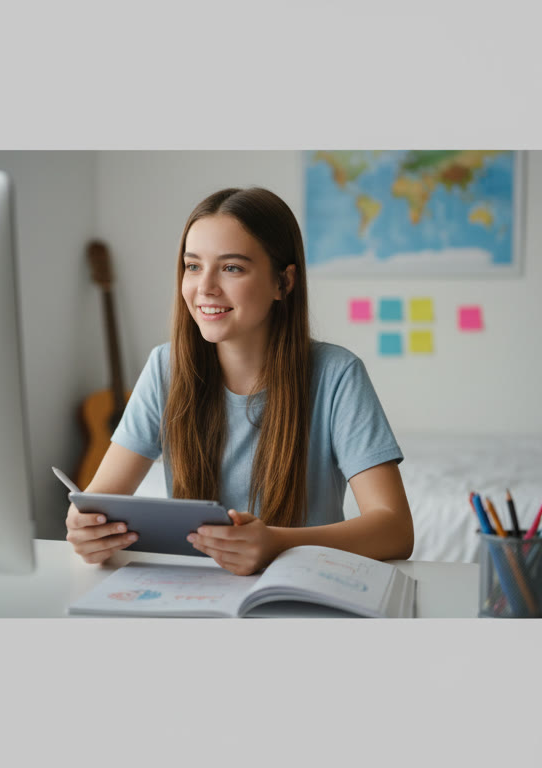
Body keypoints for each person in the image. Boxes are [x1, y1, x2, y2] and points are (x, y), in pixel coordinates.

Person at [66, 187, 413, 576]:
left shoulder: (337, 374)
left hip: (302, 588)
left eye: (231, 268)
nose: (205, 287)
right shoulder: (166, 367)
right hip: (194, 592)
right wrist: (86, 529)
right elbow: (100, 501)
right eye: (193, 266)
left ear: (284, 282)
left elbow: (396, 529)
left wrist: (276, 543)